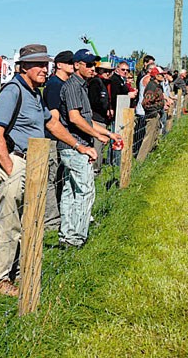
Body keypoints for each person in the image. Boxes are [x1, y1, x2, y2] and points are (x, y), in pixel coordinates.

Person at [0, 44, 97, 297]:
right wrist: (11, 168)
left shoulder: (35, 94)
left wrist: (79, 146)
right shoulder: (12, 91)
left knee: (30, 221)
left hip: (35, 162)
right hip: (18, 161)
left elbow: (53, 125)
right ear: (24, 66)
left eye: (46, 64)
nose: (44, 69)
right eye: (38, 64)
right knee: (10, 221)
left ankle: (19, 271)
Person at [58, 49, 121, 248]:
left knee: (71, 191)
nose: (93, 69)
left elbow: (87, 119)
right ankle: (76, 238)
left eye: (94, 65)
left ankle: (67, 235)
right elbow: (75, 118)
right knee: (85, 191)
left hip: (78, 145)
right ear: (77, 65)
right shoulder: (72, 87)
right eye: (89, 65)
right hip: (75, 145)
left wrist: (108, 134)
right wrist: (96, 136)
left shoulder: (82, 86)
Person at [42, 50, 74, 231]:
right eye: (69, 62)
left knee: (59, 177)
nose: (72, 65)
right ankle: (51, 220)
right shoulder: (54, 84)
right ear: (59, 65)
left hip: (62, 137)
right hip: (53, 138)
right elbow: (54, 117)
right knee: (51, 178)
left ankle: (59, 213)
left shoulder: (64, 84)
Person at [88, 61, 114, 174]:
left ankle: (97, 169)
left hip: (103, 118)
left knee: (101, 145)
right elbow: (93, 101)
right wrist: (105, 110)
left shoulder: (104, 83)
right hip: (97, 118)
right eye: (106, 71)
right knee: (97, 144)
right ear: (100, 71)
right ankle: (94, 169)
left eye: (110, 71)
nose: (108, 73)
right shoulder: (95, 83)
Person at [137, 66, 166, 161]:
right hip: (152, 115)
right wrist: (156, 109)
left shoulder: (157, 85)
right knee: (148, 138)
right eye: (161, 75)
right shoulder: (151, 86)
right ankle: (140, 160)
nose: (163, 76)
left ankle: (149, 157)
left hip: (156, 115)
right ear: (155, 75)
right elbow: (145, 103)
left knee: (154, 136)